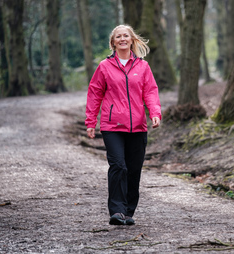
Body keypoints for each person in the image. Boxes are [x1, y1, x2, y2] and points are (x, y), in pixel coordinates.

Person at [85, 25, 161, 225]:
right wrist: (91, 121)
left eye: (125, 36)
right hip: (112, 127)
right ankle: (117, 211)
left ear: (132, 40)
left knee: (134, 169)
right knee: (118, 166)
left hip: (138, 126)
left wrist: (155, 113)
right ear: (113, 42)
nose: (122, 39)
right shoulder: (104, 66)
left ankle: (128, 212)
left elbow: (150, 92)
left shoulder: (143, 67)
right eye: (118, 36)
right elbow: (95, 94)